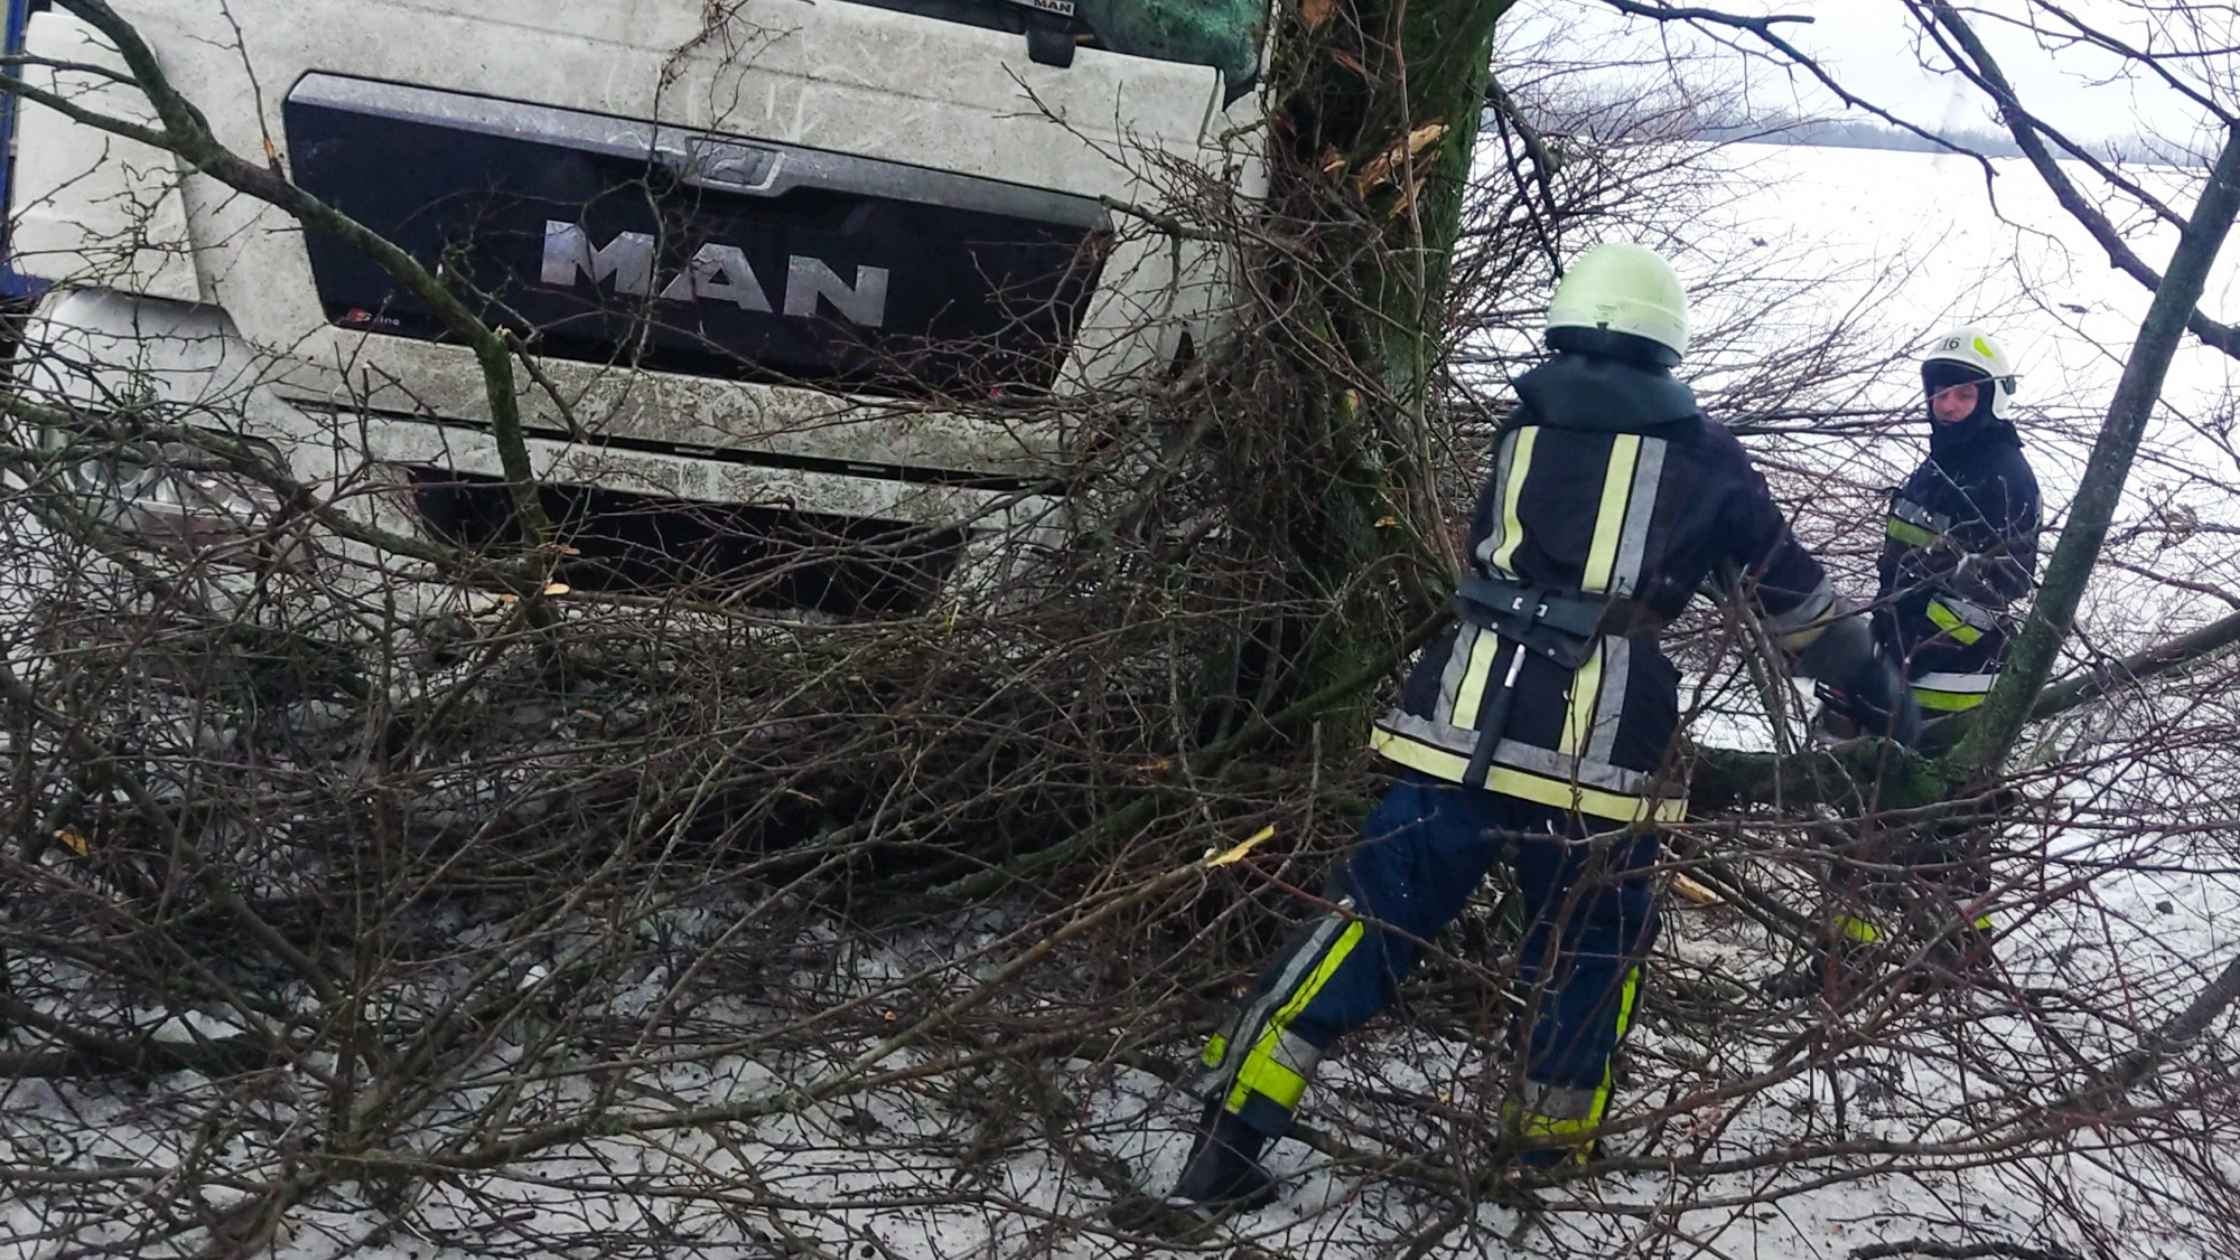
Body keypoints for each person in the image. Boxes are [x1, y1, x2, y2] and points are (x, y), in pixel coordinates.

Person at [1167, 242, 1921, 1210]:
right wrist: (1878, 696)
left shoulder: (1518, 426)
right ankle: (1544, 1155)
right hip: (1594, 760)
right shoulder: (1702, 454)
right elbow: (1797, 612)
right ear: (1664, 341)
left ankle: (1226, 1137)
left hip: (1450, 723)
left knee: (1362, 924)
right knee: (1587, 953)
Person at [1805, 325, 2041, 976]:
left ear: (1991, 399)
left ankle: (1952, 956)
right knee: (1878, 814)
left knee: (1941, 823)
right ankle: (1855, 956)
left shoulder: (2004, 478)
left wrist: (1915, 641)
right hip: (1900, 663)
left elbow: (2004, 587)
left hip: (1952, 680)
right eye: (1940, 395)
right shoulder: (1934, 469)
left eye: (1962, 396)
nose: (1947, 406)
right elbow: (1897, 569)